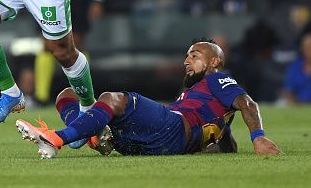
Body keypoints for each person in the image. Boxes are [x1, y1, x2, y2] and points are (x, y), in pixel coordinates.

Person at [16, 39, 282, 158]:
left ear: (214, 61)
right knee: (67, 94)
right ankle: (93, 134)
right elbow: (227, 145)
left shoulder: (218, 78)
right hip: (152, 144)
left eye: (195, 55)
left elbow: (248, 104)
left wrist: (258, 137)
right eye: (186, 55)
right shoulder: (207, 104)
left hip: (172, 128)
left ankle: (59, 138)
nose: (187, 60)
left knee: (114, 99)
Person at [282, 33, 311, 104]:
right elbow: (288, 90)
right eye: (307, 49)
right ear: (303, 50)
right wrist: (295, 101)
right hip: (297, 103)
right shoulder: (295, 67)